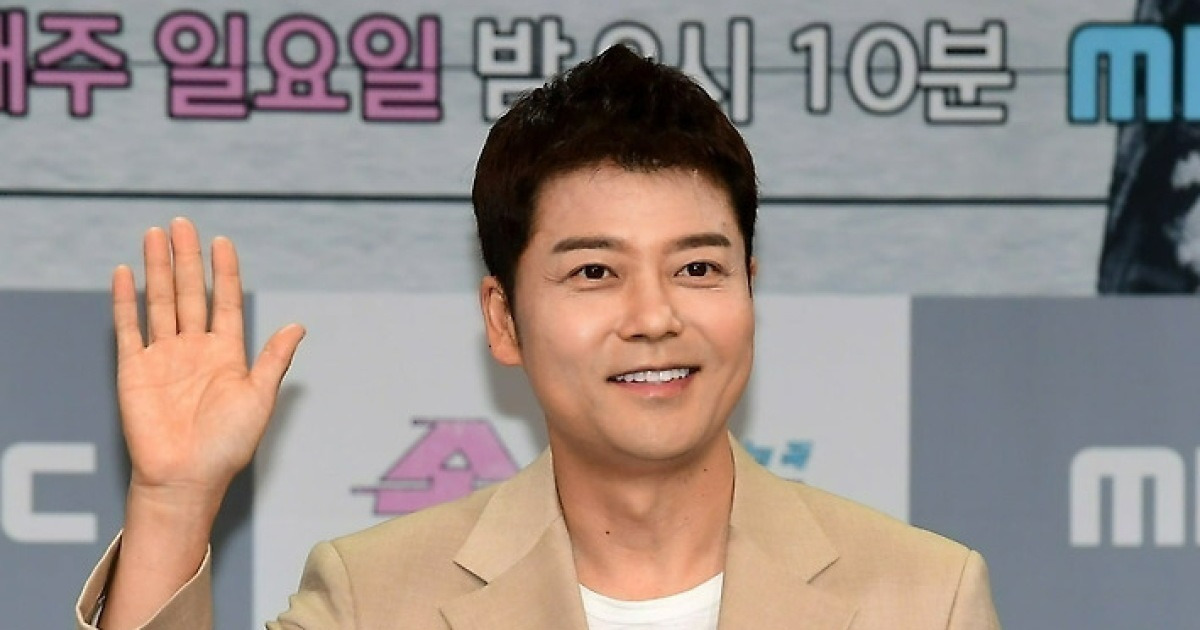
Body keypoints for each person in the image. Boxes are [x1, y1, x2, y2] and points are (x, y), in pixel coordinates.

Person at [76, 45, 1001, 629]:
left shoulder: (924, 597)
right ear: (503, 319)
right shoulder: (377, 598)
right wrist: (173, 502)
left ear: (749, 289)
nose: (655, 316)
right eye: (595, 272)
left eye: (697, 267)